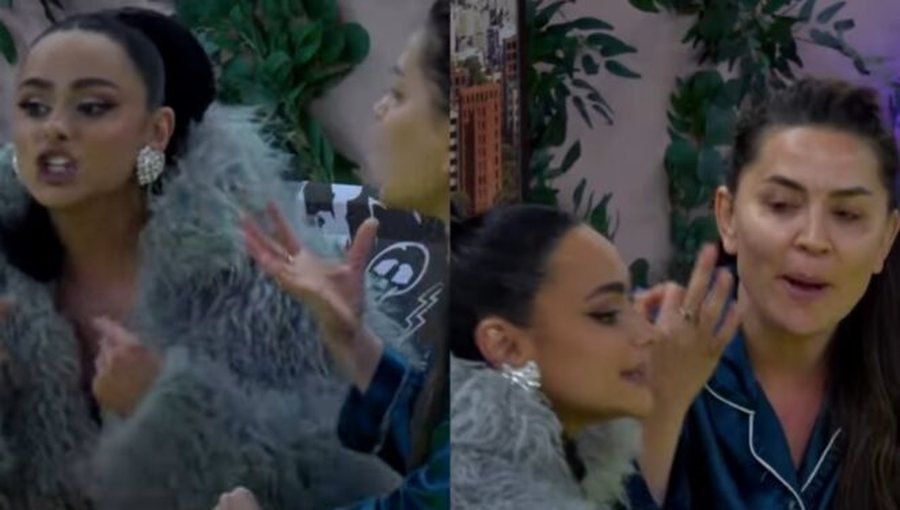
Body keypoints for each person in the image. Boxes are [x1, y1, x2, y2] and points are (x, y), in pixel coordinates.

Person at [0, 7, 399, 510]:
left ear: (157, 132)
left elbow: (353, 480)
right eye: (35, 105)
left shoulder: (265, 281)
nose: (54, 128)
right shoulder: (10, 275)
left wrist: (168, 409)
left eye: (93, 106)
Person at [215, 1, 451, 508]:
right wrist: (352, 340)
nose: (379, 109)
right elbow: (443, 443)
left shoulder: (508, 297)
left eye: (399, 93)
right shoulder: (483, 270)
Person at [629, 78, 900, 510]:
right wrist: (664, 404)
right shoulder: (639, 352)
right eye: (781, 205)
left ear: (886, 239)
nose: (813, 240)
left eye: (847, 214)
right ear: (728, 217)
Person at [448, 204, 739, 509]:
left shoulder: (575, 460)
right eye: (606, 314)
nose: (649, 333)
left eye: (630, 302)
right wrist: (666, 399)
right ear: (506, 345)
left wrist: (668, 397)